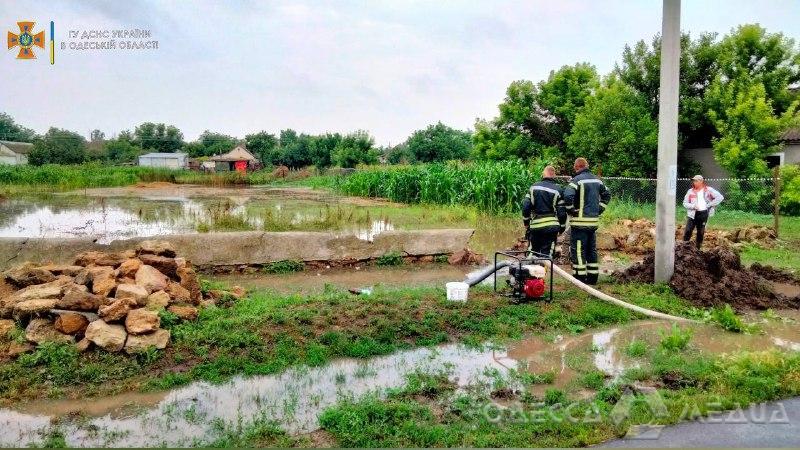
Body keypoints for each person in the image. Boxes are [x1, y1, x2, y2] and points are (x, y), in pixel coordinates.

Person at [563, 158, 611, 285]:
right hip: (593, 222)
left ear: (576, 167)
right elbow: (607, 194)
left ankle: (579, 278)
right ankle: (593, 278)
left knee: (578, 250)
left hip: (580, 223)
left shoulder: (576, 180)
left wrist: (571, 210)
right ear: (586, 166)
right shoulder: (597, 180)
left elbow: (568, 195)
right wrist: (599, 209)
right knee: (591, 250)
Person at [522, 165, 567, 258]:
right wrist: (562, 228)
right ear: (554, 175)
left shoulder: (533, 187)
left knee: (532, 253)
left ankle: (530, 270)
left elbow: (526, 206)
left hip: (535, 226)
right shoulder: (558, 190)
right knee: (547, 255)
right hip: (551, 227)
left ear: (543, 174)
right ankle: (544, 270)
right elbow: (562, 213)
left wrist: (526, 222)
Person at [682, 175, 724, 249]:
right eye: (693, 181)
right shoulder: (690, 191)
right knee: (688, 231)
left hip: (703, 214)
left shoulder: (708, 190)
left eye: (696, 181)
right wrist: (693, 206)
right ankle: (684, 248)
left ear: (701, 181)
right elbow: (685, 203)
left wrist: (709, 205)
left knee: (700, 232)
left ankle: (698, 249)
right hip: (692, 214)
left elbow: (720, 197)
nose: (694, 182)